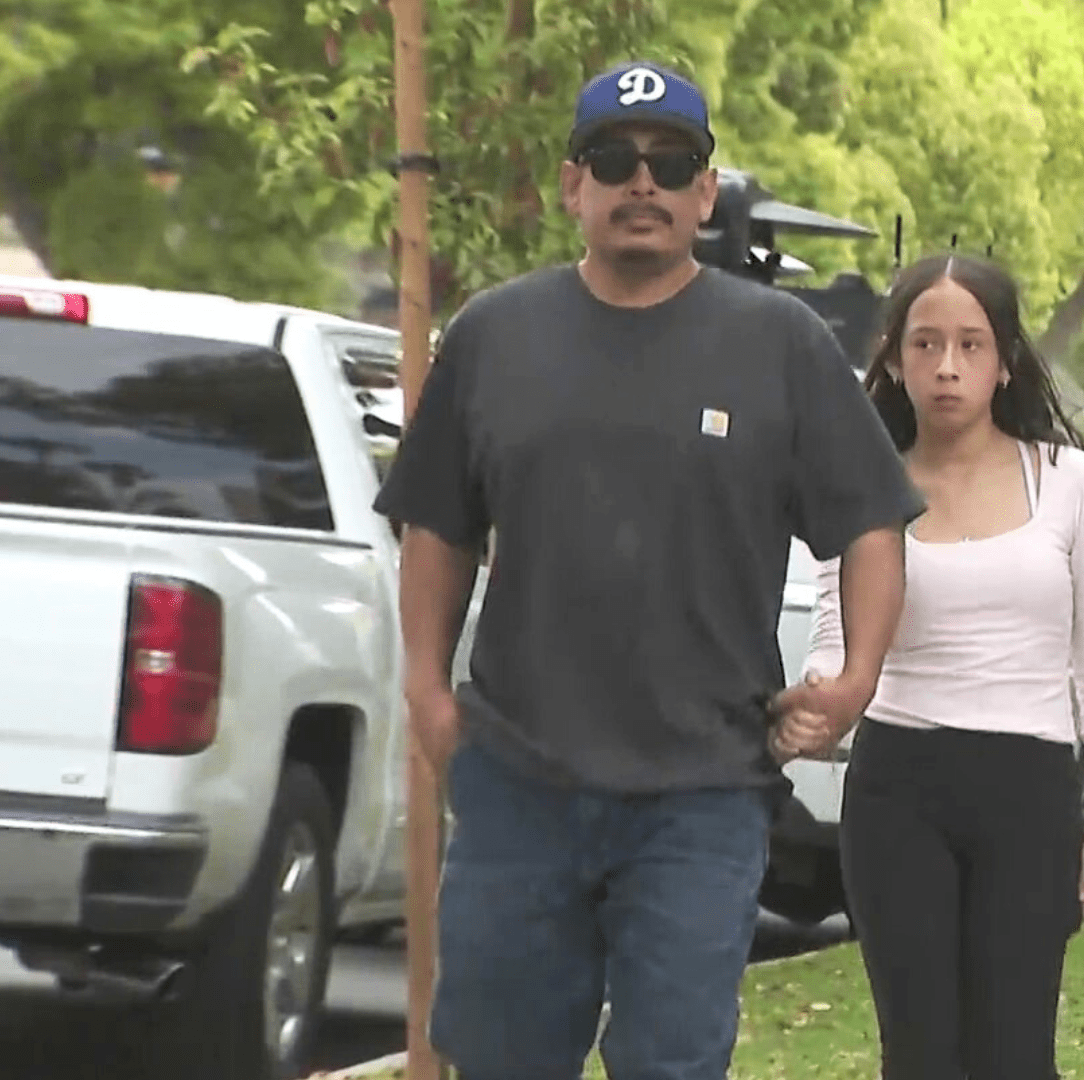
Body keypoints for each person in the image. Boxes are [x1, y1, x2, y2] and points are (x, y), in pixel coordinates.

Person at [372, 61, 924, 1080]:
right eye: (615, 160)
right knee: (498, 1060)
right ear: (573, 184)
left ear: (705, 193)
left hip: (702, 793)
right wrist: (425, 690)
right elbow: (437, 526)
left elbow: (873, 525)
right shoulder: (496, 336)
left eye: (672, 164)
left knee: (671, 1063)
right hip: (520, 785)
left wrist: (853, 684)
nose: (644, 184)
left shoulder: (783, 345)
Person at [778, 252, 1084, 1080]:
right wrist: (811, 705)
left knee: (1014, 1054)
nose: (947, 367)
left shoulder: (1066, 481)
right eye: (926, 344)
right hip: (900, 787)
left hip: (1031, 790)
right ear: (896, 360)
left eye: (971, 345)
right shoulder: (866, 487)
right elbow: (840, 647)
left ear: (1004, 358)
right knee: (921, 1055)